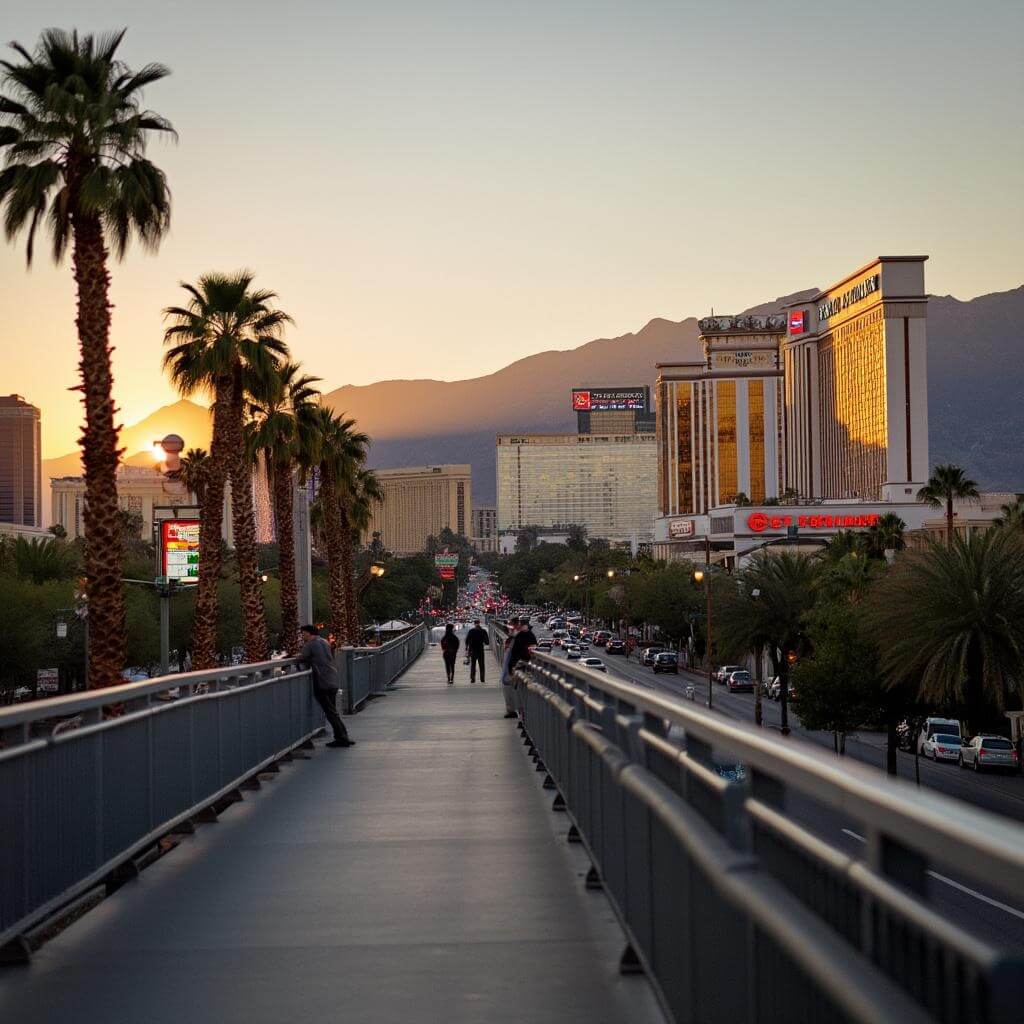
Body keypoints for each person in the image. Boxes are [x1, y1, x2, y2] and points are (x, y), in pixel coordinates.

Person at [298, 624, 353, 748]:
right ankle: (343, 736)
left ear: (308, 633)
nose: (303, 636)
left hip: (322, 682)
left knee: (330, 712)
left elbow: (302, 657)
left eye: (304, 633)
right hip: (332, 679)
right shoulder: (325, 642)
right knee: (333, 711)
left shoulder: (310, 645)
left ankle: (342, 738)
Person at [500, 617, 521, 718]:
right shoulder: (511, 637)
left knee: (514, 690)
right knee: (508, 688)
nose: (509, 627)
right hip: (509, 669)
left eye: (511, 624)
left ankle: (514, 711)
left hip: (513, 668)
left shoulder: (518, 637)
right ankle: (511, 710)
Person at [464, 619, 489, 683]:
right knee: (481, 665)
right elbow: (487, 642)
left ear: (474, 624)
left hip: (472, 650)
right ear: (479, 623)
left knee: (473, 665)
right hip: (480, 650)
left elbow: (467, 641)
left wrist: (467, 648)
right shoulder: (483, 631)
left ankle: (473, 678)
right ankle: (482, 678)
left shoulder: (471, 631)